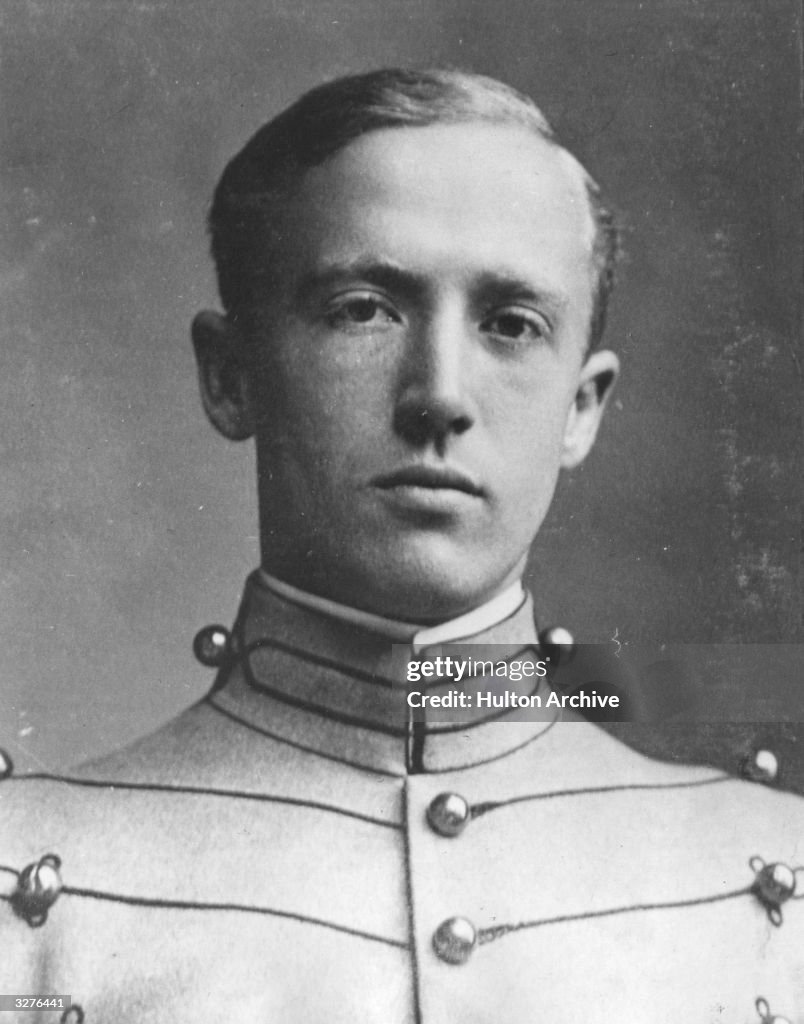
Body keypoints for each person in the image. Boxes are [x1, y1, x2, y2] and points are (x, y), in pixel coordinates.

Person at [1, 68, 802, 1023]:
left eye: (511, 324)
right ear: (230, 376)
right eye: (363, 310)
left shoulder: (774, 884)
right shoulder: (28, 886)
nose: (440, 396)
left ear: (581, 409)